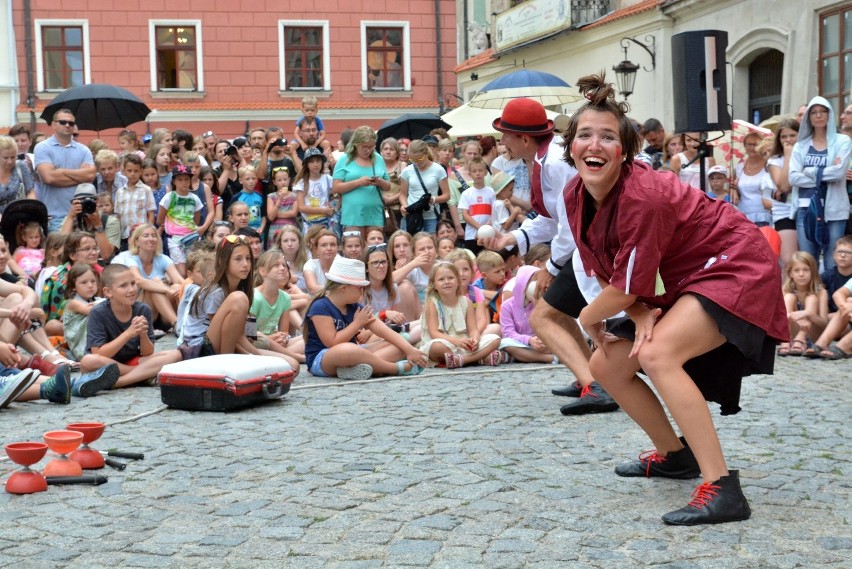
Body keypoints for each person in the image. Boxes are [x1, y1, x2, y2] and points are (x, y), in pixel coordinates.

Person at [562, 72, 787, 525]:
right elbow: (608, 267)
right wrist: (637, 308)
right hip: (686, 276)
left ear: (624, 152)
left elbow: (622, 282)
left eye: (608, 137)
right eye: (585, 134)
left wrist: (590, 318)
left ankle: (722, 489)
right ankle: (675, 456)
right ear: (571, 146)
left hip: (735, 262)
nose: (594, 144)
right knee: (608, 365)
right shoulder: (576, 192)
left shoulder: (642, 196)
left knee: (659, 353)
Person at [303, 256, 427, 379]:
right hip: (323, 358)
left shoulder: (355, 307)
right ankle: (394, 369)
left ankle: (356, 369)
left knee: (400, 344)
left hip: (356, 354)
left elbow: (384, 331)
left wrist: (409, 349)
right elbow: (332, 342)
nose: (363, 291)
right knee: (347, 350)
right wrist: (357, 324)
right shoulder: (320, 306)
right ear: (344, 288)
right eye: (360, 287)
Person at [81, 264, 181, 392]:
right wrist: (128, 333)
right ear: (108, 292)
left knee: (176, 354)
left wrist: (143, 334)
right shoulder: (98, 313)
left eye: (133, 283)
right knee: (88, 361)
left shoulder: (142, 309)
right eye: (123, 286)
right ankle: (142, 375)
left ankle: (119, 382)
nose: (132, 289)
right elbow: (98, 353)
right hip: (105, 364)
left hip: (133, 361)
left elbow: (148, 352)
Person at [788, 96, 851, 271]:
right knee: (808, 260)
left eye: (823, 111)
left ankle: (832, 297)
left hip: (834, 208)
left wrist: (810, 171)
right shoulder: (801, 146)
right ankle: (812, 297)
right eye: (814, 112)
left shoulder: (842, 141)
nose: (818, 115)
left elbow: (838, 173)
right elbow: (793, 178)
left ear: (829, 115)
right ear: (808, 117)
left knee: (833, 259)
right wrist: (825, 171)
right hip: (805, 207)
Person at [418, 260, 502, 369]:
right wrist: (457, 341)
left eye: (450, 278)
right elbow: (434, 333)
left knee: (495, 339)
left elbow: (473, 329)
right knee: (437, 346)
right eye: (441, 279)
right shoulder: (432, 303)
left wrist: (474, 340)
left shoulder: (466, 302)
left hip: (464, 343)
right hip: (445, 343)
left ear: (458, 281)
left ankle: (463, 360)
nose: (447, 282)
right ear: (434, 285)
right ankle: (479, 358)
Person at [33, 109, 96, 232]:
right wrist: (79, 175)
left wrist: (60, 171)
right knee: (59, 251)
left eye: (71, 123)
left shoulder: (84, 150)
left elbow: (89, 177)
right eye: (63, 122)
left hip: (82, 215)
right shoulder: (42, 147)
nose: (67, 125)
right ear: (53, 124)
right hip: (55, 216)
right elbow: (49, 178)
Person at [120, 224, 182, 331]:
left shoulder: (163, 258)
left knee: (177, 286)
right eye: (146, 236)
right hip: (145, 315)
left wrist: (179, 287)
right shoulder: (131, 260)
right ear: (136, 241)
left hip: (164, 315)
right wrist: (167, 289)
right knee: (154, 283)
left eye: (154, 236)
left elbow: (179, 280)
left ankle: (184, 322)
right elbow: (139, 281)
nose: (151, 239)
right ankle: (177, 324)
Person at [250, 250, 303, 367]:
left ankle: (281, 355)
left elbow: (284, 332)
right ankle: (293, 357)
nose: (283, 268)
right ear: (263, 271)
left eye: (284, 265)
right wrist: (269, 338)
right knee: (260, 336)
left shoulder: (285, 297)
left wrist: (281, 338)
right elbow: (249, 335)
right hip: (256, 343)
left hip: (277, 345)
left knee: (306, 339)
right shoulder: (254, 297)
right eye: (276, 265)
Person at [332, 126, 389, 236]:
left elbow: (388, 186)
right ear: (356, 144)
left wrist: (380, 182)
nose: (368, 150)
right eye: (364, 147)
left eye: (371, 146)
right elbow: (336, 187)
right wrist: (358, 182)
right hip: (352, 216)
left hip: (375, 214)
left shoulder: (378, 159)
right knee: (355, 249)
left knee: (375, 249)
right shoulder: (345, 159)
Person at [498, 266, 561, 364]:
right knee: (505, 343)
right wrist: (529, 340)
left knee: (558, 340)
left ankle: (523, 356)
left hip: (541, 343)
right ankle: (549, 358)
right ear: (522, 284)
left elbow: (549, 326)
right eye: (534, 283)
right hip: (521, 343)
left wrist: (541, 339)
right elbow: (508, 333)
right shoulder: (507, 306)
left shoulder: (542, 303)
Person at [766, 119, 800, 270]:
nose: (788, 140)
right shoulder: (774, 160)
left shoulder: (806, 155)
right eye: (783, 137)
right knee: (789, 260)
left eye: (792, 135)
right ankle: (787, 293)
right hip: (784, 213)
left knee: (807, 258)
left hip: (804, 209)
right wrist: (788, 156)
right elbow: (784, 185)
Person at [157, 164, 203, 276]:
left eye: (186, 179)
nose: (183, 182)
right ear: (174, 181)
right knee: (182, 272)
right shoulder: (169, 197)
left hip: (192, 237)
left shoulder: (194, 198)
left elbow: (196, 219)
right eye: (180, 179)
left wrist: (188, 228)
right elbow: (160, 219)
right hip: (175, 240)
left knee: (195, 268)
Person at [779, 252, 828, 356]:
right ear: (790, 273)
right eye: (797, 270)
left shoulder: (821, 292)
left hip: (812, 334)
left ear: (813, 272)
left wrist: (808, 313)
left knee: (812, 298)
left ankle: (801, 338)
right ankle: (786, 340)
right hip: (791, 331)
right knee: (789, 297)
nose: (801, 274)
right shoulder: (786, 290)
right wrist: (792, 316)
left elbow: (825, 324)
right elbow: (779, 318)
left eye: (806, 270)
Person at [398, 140, 450, 234]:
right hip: (412, 216)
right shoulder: (407, 171)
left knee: (431, 245)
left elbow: (447, 195)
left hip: (431, 216)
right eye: (413, 160)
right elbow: (402, 194)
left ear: (426, 154)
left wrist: (433, 199)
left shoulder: (438, 169)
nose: (417, 163)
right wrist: (404, 205)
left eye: (420, 159)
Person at [62, 263, 105, 361]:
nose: (90, 285)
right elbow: (92, 311)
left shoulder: (97, 300)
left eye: (93, 281)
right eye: (84, 282)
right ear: (73, 286)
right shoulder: (73, 302)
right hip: (81, 347)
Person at [730, 132, 772, 226]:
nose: (752, 148)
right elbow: (734, 187)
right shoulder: (739, 167)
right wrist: (733, 189)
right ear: (744, 146)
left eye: (755, 144)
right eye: (749, 144)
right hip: (743, 215)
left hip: (763, 216)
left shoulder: (768, 166)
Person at [115, 153, 156, 247]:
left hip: (141, 236)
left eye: (136, 171)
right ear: (124, 171)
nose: (132, 174)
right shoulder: (119, 192)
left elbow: (151, 214)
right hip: (125, 236)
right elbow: (118, 216)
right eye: (129, 170)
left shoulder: (146, 190)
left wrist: (148, 232)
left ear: (141, 171)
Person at [458, 157, 496, 253]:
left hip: (489, 235)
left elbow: (495, 211)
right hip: (471, 235)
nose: (478, 173)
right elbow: (465, 215)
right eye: (474, 171)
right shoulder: (466, 193)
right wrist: (480, 227)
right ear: (470, 174)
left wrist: (487, 226)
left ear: (486, 172)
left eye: (480, 170)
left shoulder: (491, 192)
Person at [294, 148, 335, 232]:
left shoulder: (328, 179)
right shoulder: (301, 183)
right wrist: (324, 210)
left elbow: (338, 194)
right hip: (309, 224)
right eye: (311, 162)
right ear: (306, 164)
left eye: (318, 161)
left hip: (326, 222)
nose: (315, 164)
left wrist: (333, 205)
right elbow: (301, 207)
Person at [0, 135, 35, 212]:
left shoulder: (20, 166)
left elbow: (30, 191)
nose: (9, 161)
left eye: (13, 157)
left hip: (19, 217)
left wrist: (30, 208)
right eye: (5, 158)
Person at [266, 166, 299, 245]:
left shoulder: (294, 196)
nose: (283, 182)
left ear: (289, 180)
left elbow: (294, 213)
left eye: (285, 179)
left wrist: (276, 214)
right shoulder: (271, 197)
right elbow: (270, 217)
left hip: (291, 228)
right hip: (275, 230)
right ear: (274, 182)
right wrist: (280, 199)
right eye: (279, 180)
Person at [230, 165, 266, 236]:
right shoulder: (237, 197)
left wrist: (262, 228)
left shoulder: (260, 196)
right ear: (240, 180)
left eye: (253, 178)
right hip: (242, 233)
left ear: (256, 180)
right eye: (247, 179)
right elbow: (230, 216)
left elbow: (263, 215)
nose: (251, 181)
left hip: (258, 232)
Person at [380, 138, 404, 229]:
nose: (388, 152)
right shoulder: (376, 167)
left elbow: (406, 188)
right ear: (381, 152)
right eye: (385, 149)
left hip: (398, 209)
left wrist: (390, 199)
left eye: (392, 149)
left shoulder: (402, 166)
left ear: (397, 152)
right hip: (382, 208)